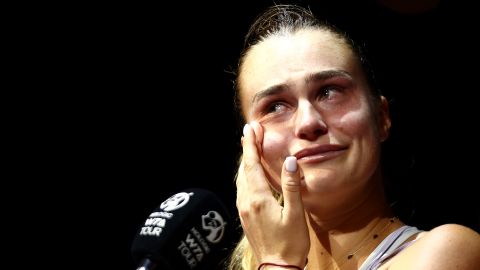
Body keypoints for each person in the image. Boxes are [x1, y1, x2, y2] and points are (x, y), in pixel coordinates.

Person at [228, 4, 480, 270]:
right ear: (250, 147)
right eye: (275, 106)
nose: (309, 122)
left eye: (329, 92)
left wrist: (278, 263)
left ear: (381, 117)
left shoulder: (446, 252)